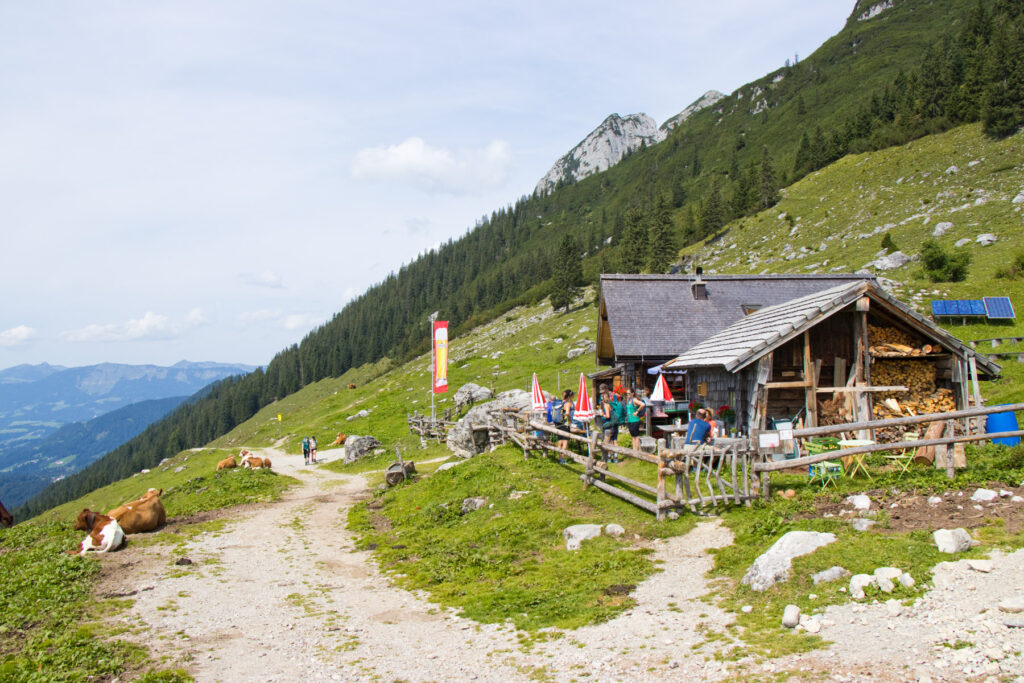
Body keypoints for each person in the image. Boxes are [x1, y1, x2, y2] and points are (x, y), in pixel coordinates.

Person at [555, 389, 574, 461]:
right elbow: (567, 413)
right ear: (569, 396)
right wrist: (570, 421)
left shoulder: (560, 403)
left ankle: (560, 457)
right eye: (572, 395)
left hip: (558, 423)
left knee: (560, 441)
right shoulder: (568, 403)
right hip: (565, 424)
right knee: (565, 441)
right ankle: (562, 458)